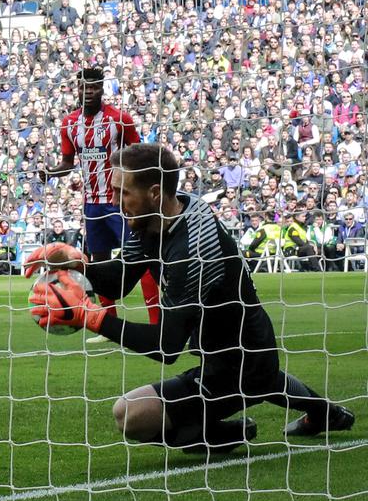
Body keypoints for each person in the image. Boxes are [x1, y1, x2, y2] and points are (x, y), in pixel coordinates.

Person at [26, 144, 355, 452]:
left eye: (122, 192)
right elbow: (120, 281)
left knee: (131, 415)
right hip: (230, 350)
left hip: (237, 361)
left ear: (154, 193)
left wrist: (92, 317)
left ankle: (226, 434)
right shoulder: (157, 216)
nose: (113, 201)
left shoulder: (191, 248)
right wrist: (78, 262)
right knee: (267, 379)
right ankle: (323, 413)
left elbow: (166, 347)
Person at [42, 66, 160, 323]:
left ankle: (157, 320)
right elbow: (67, 163)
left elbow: (138, 153)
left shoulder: (119, 119)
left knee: (141, 258)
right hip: (91, 204)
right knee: (99, 261)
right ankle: (108, 321)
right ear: (78, 89)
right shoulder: (69, 123)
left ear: (102, 88)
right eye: (84, 87)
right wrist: (51, 173)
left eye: (94, 87)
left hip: (120, 203)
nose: (88, 92)